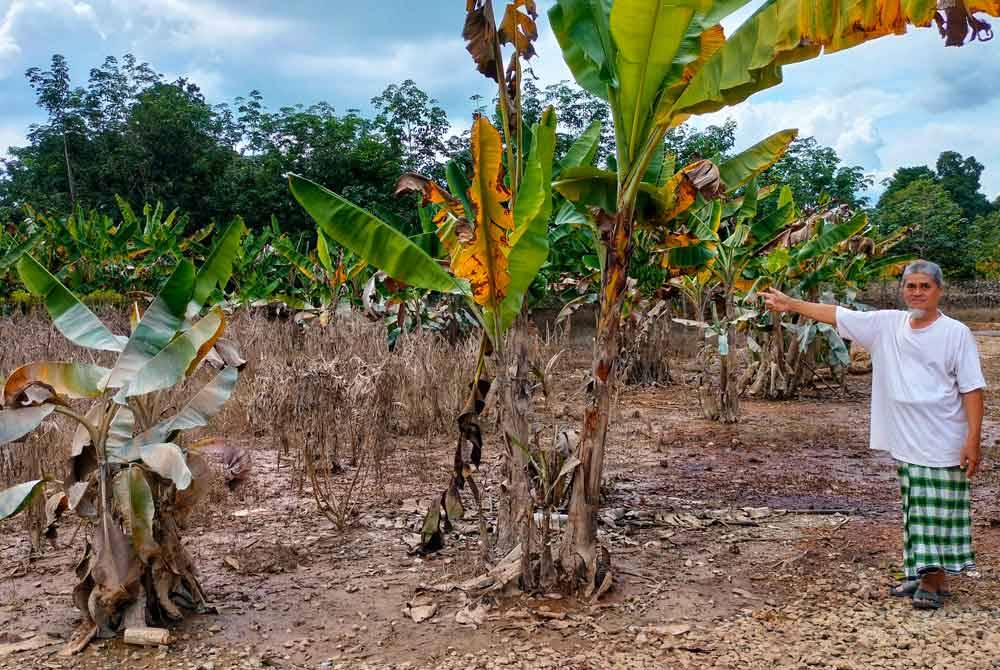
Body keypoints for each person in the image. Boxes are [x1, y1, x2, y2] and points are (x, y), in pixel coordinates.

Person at [761, 260, 986, 610]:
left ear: (939, 291)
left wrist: (973, 439)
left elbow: (972, 389)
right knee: (917, 510)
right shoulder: (887, 325)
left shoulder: (956, 333)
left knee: (938, 512)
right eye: (910, 286)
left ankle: (929, 580)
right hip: (906, 439)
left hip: (944, 438)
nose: (917, 292)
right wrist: (791, 304)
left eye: (925, 286)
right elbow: (837, 314)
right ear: (903, 290)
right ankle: (934, 578)